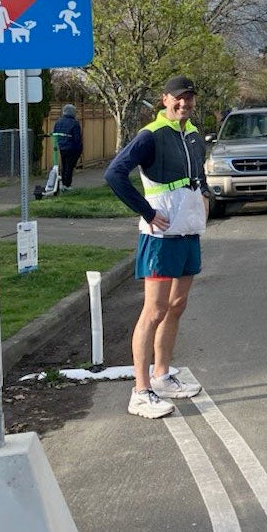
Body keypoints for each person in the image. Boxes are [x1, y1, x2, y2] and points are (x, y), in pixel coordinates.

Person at [104, 75, 208, 419]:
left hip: (188, 233)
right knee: (154, 311)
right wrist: (147, 212)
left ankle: (162, 376)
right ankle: (140, 391)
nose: (184, 103)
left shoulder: (193, 135)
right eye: (178, 97)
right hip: (160, 238)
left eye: (189, 98)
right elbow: (114, 174)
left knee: (177, 306)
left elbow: (199, 176)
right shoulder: (150, 135)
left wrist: (205, 197)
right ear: (165, 99)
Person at [51, 103, 84, 190]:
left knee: (64, 165)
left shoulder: (58, 122)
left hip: (62, 147)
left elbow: (55, 134)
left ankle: (63, 184)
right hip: (72, 148)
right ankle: (67, 185)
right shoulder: (74, 123)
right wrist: (80, 149)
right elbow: (77, 138)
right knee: (69, 166)